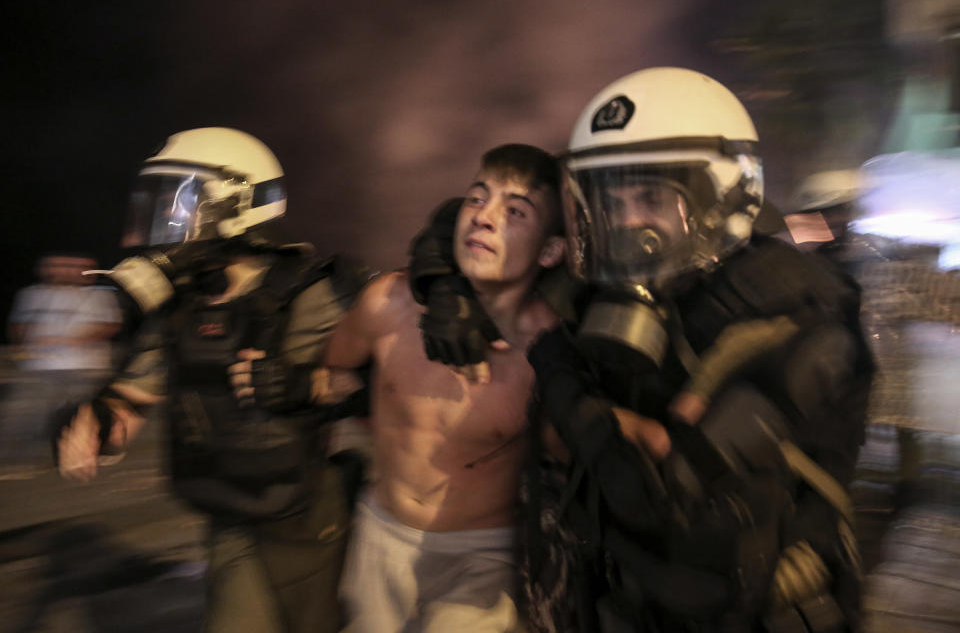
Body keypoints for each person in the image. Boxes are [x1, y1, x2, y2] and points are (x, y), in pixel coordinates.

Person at [410, 68, 874, 632]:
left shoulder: (798, 319)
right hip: (624, 601)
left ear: (722, 196)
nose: (627, 221)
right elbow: (481, 212)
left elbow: (663, 498)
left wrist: (555, 363)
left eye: (652, 196)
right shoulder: (633, 282)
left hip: (758, 612)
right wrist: (445, 287)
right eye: (610, 197)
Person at [55, 127, 367, 633]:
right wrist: (93, 421)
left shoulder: (314, 292)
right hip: (230, 509)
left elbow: (384, 383)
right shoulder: (182, 304)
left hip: (303, 514)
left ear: (237, 202)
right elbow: (132, 399)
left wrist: (305, 386)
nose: (168, 218)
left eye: (179, 201)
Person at [320, 143, 565, 632]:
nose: (485, 218)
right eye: (477, 199)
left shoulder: (547, 350)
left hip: (481, 556)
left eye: (515, 211)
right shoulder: (388, 302)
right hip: (378, 536)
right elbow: (332, 370)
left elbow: (562, 459)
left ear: (550, 250)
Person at [3, 253, 120, 458]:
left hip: (85, 367)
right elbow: (18, 325)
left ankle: (103, 447)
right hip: (40, 366)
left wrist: (73, 340)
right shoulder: (31, 294)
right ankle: (29, 455)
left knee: (85, 412)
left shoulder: (98, 296)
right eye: (55, 266)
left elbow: (110, 326)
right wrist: (22, 344)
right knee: (32, 413)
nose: (64, 271)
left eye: (72, 267)